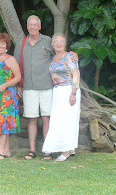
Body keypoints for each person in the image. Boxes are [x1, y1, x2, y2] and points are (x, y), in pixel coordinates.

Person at [14, 15, 78, 160]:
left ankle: (48, 151)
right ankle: (31, 150)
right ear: (27, 26)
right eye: (30, 24)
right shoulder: (21, 43)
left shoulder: (48, 41)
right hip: (29, 87)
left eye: (35, 24)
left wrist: (72, 55)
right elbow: (17, 65)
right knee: (32, 119)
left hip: (47, 86)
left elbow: (60, 53)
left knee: (46, 118)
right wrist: (19, 85)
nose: (32, 27)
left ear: (40, 26)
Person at [42, 33, 81, 162]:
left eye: (61, 42)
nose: (58, 44)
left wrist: (73, 93)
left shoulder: (69, 56)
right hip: (57, 91)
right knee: (58, 120)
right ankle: (66, 147)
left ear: (65, 44)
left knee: (68, 120)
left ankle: (67, 151)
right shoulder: (53, 58)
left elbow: (76, 74)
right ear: (53, 44)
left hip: (69, 90)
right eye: (56, 42)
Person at [0, 33, 21, 159]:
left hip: (7, 96)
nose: (0, 46)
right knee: (0, 123)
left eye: (3, 43)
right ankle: (6, 151)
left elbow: (18, 77)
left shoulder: (10, 59)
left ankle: (1, 152)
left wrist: (5, 85)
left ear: (6, 45)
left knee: (2, 123)